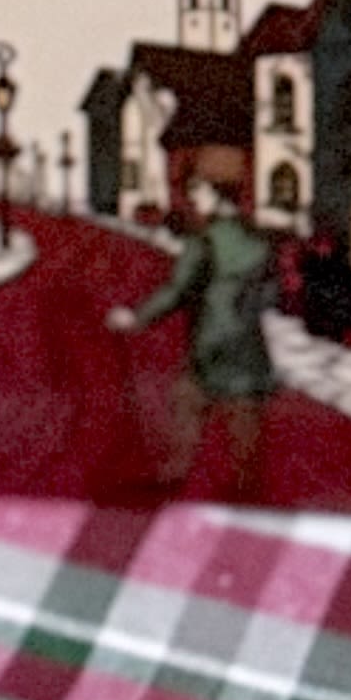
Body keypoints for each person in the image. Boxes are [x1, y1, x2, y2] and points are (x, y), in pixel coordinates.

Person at [107, 177, 276, 493]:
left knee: (187, 401)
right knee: (244, 416)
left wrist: (136, 317)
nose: (193, 203)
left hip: (210, 338)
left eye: (199, 195)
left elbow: (177, 290)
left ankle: (176, 474)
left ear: (215, 199)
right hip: (248, 343)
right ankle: (246, 488)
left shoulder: (204, 243)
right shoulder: (258, 242)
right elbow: (271, 293)